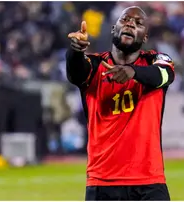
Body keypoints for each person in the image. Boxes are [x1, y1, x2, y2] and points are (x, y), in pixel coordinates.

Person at [66, 7, 175, 201]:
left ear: (145, 36)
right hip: (103, 182)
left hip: (149, 183)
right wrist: (75, 52)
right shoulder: (94, 66)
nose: (131, 23)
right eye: (125, 19)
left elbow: (166, 75)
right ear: (113, 28)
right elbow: (75, 72)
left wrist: (132, 71)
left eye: (138, 23)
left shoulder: (155, 61)